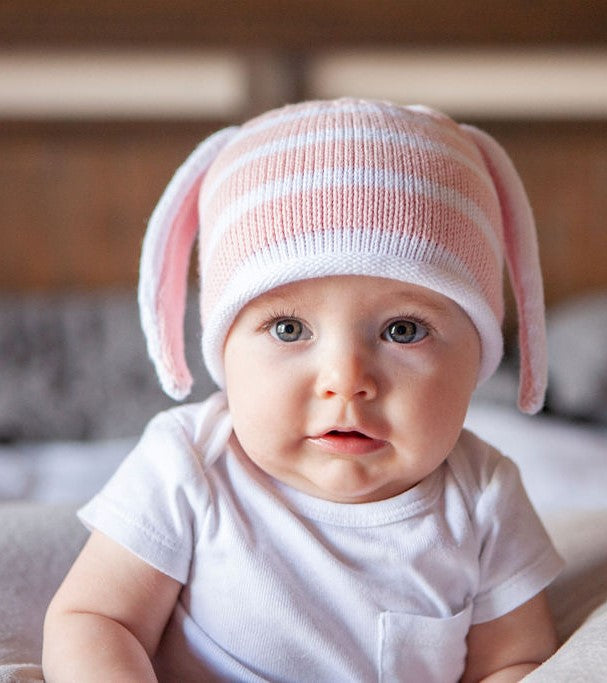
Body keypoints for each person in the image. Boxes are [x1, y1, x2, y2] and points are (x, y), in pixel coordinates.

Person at [43, 98, 563, 682]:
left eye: (404, 330)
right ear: (225, 351)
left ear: (478, 358)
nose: (346, 381)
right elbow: (96, 619)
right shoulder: (188, 466)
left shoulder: (484, 496)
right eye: (289, 329)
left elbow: (514, 660)